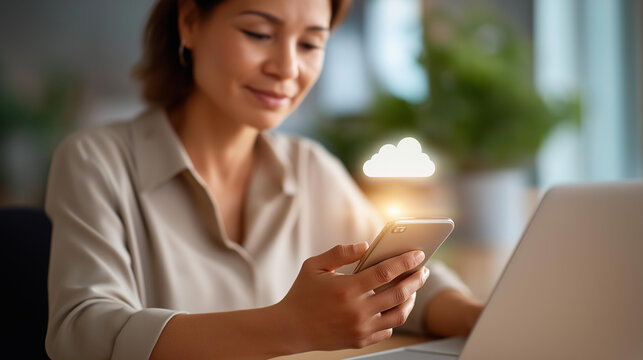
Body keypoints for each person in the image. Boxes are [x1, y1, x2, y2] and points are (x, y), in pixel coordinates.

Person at [44, 0, 484, 359]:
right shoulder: (97, 160)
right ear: (190, 22)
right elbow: (83, 334)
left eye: (311, 44)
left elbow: (405, 281)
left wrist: (479, 318)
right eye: (258, 34)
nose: (287, 67)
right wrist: (291, 327)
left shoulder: (309, 166)